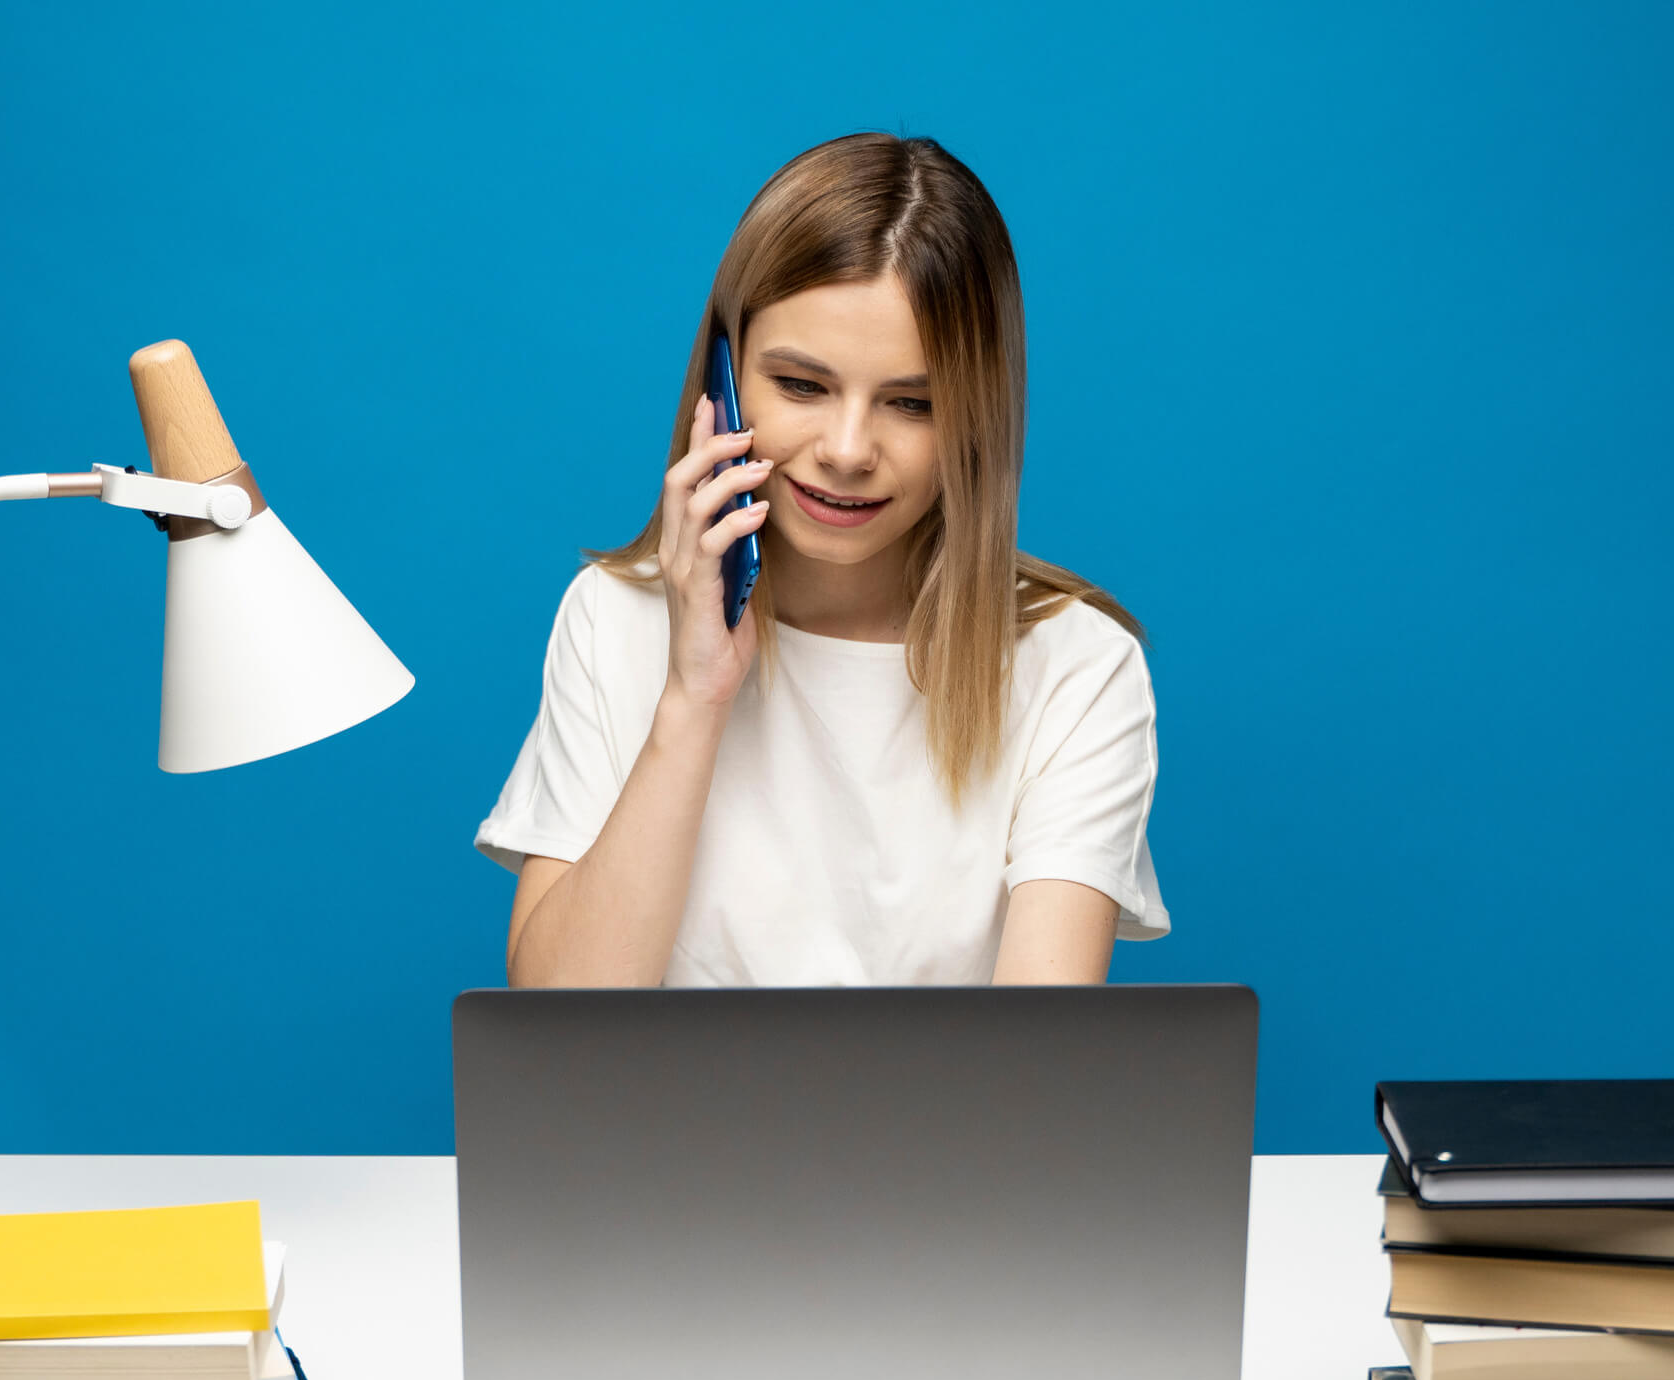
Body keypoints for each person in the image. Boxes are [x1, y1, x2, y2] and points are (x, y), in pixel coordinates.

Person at [475, 132, 1167, 987]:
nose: (846, 450)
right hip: (661, 1129)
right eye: (802, 386)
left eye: (911, 403)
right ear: (723, 380)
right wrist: (694, 698)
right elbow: (557, 1044)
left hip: (953, 1129)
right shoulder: (611, 620)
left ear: (976, 419)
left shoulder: (1078, 667)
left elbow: (1035, 1081)